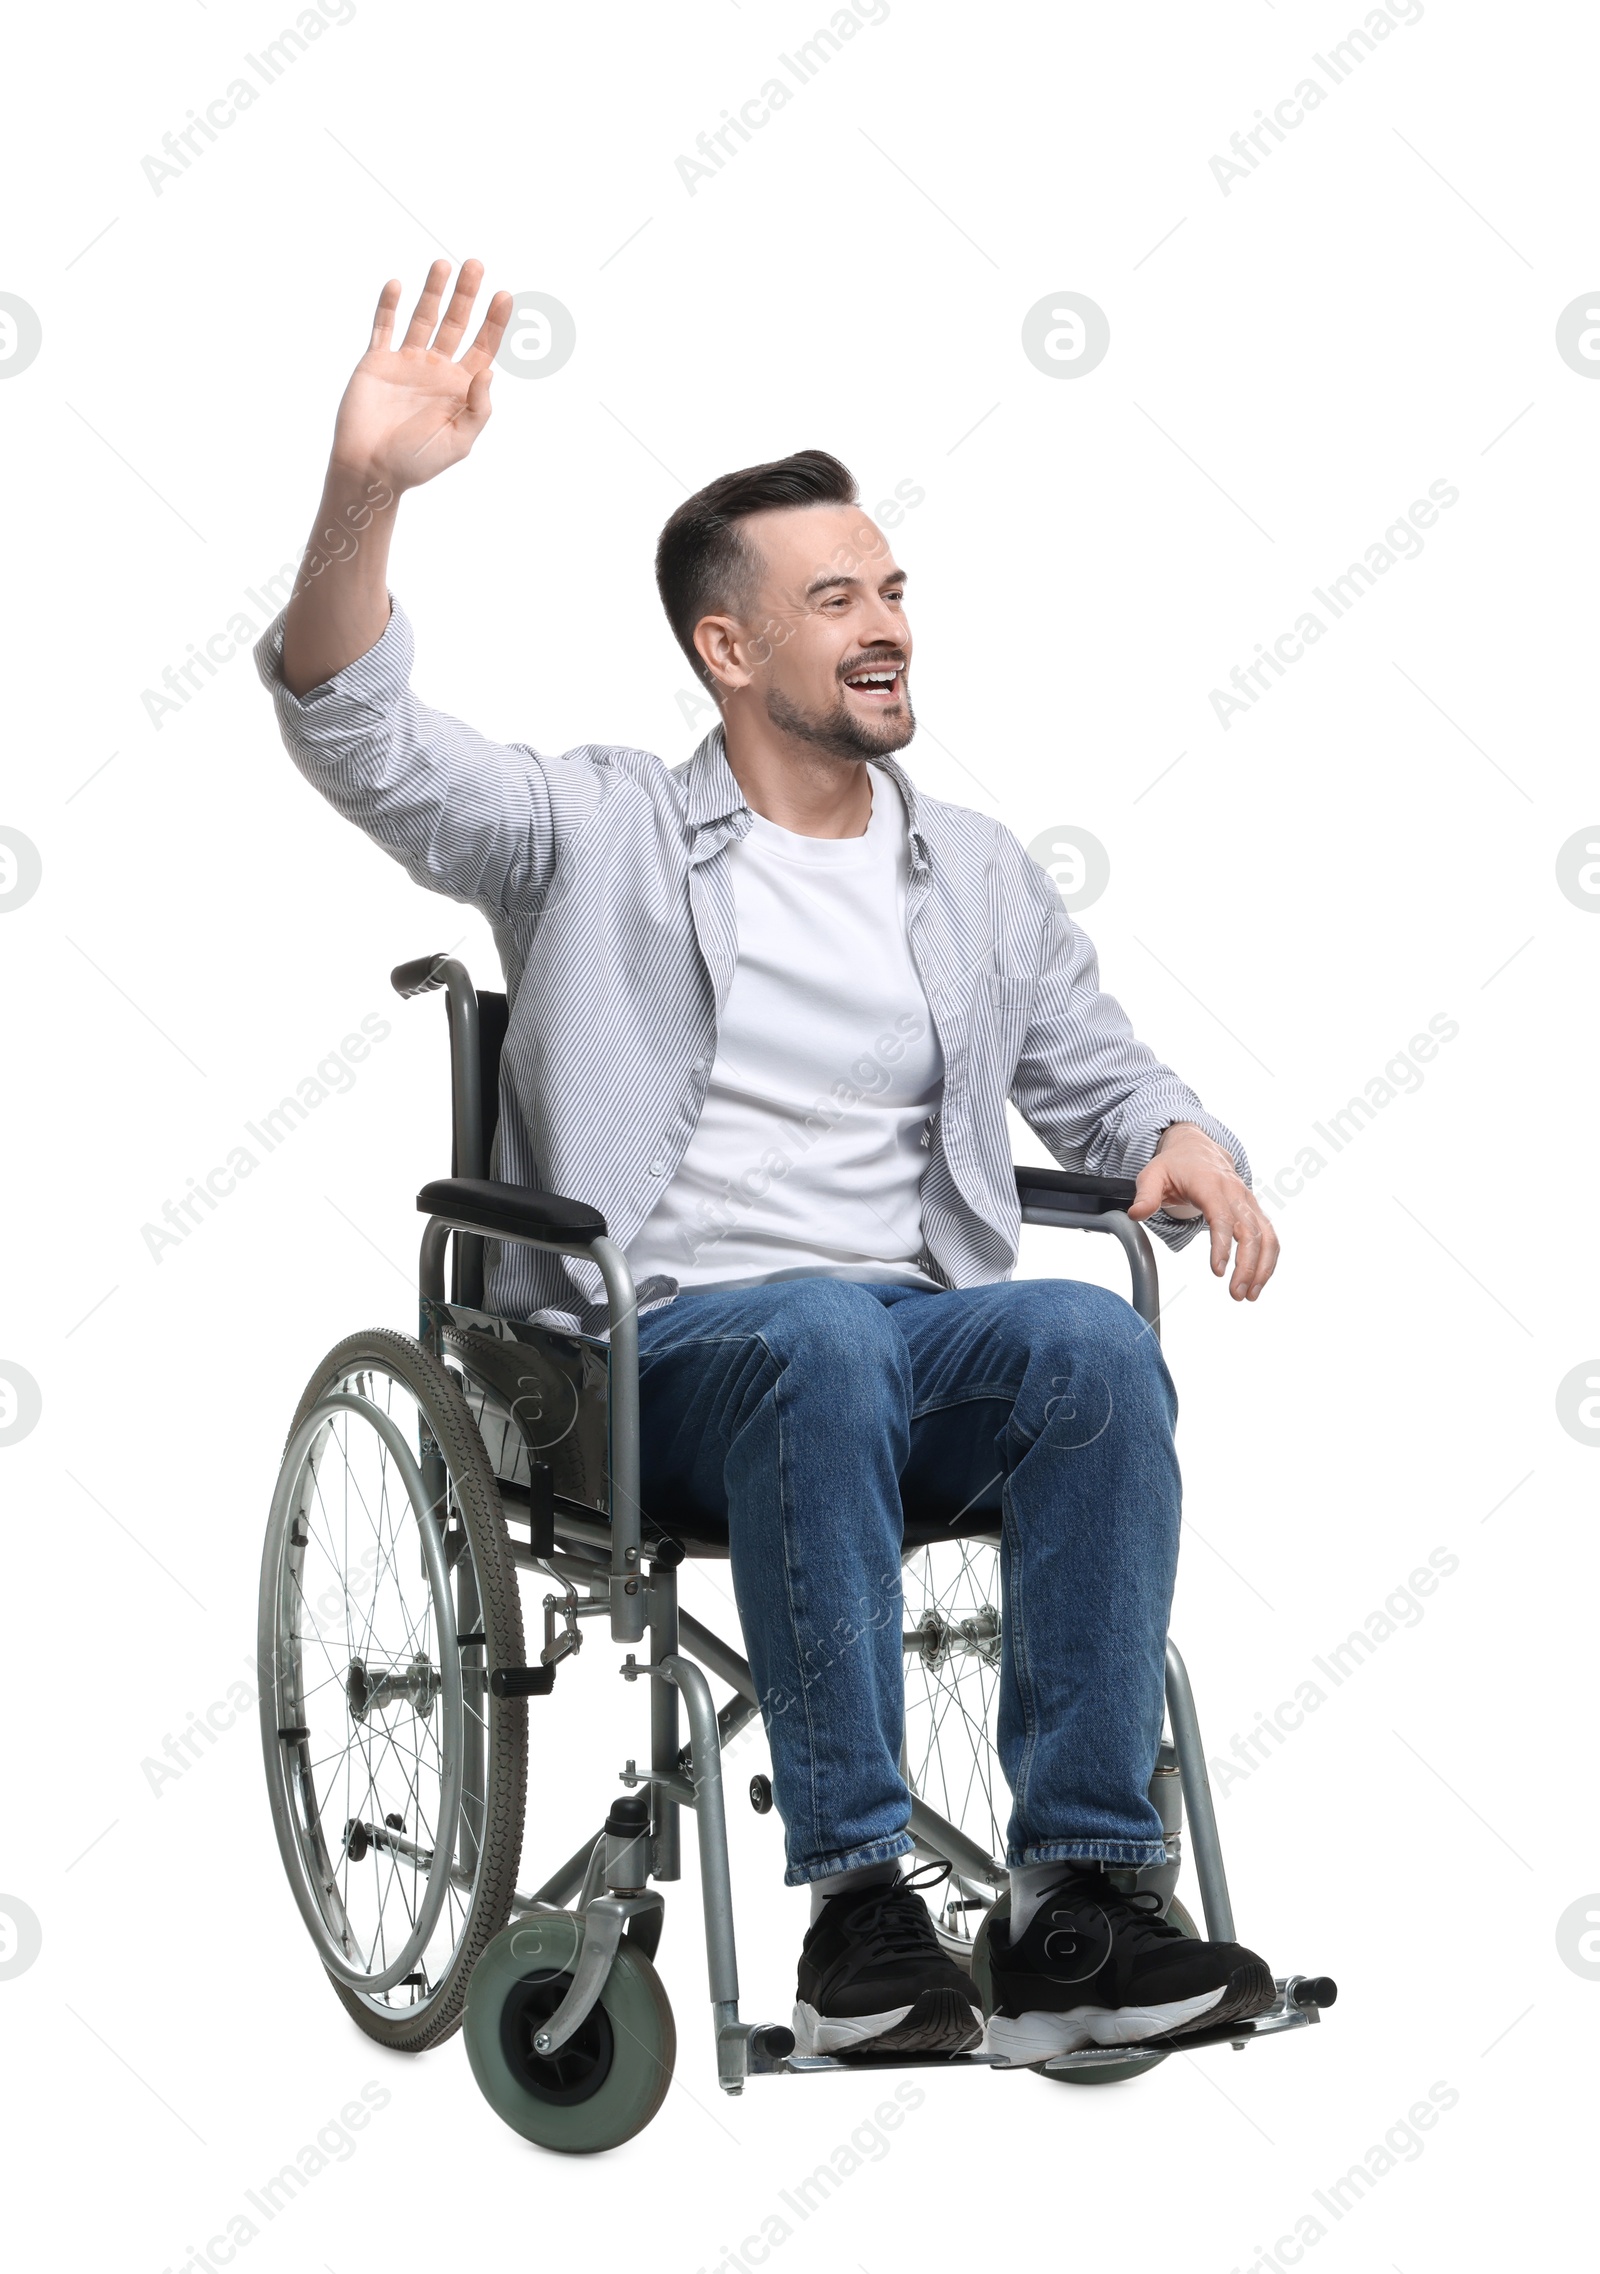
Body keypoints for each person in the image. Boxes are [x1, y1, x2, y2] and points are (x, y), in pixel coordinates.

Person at [257, 259, 1282, 2065]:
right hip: (643, 1362)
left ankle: (1081, 1901)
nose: (887, 622)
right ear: (729, 649)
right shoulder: (593, 825)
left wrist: (1178, 1135)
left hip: (898, 1345)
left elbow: (1097, 1076)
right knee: (817, 1327)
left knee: (1092, 1338)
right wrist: (372, 494)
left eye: (892, 588)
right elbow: (362, 736)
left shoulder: (971, 871)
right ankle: (860, 1907)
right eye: (836, 599)